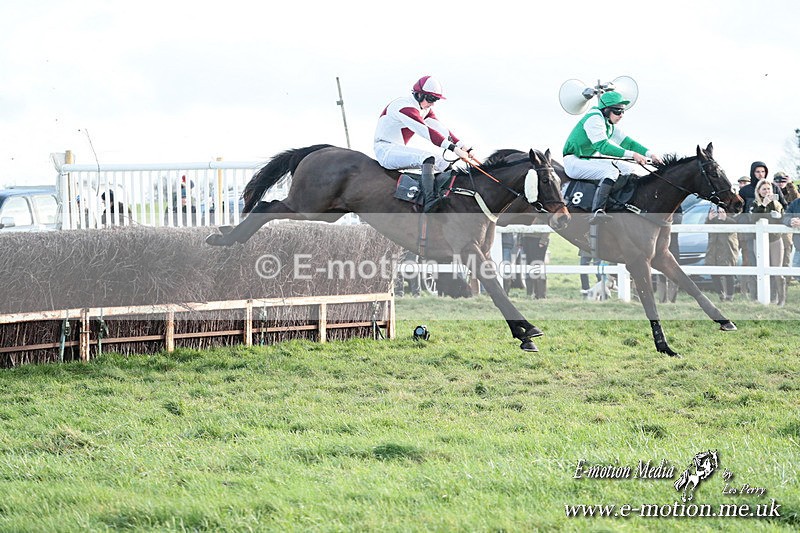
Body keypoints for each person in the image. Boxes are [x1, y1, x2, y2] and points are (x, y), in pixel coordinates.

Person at [374, 76, 475, 212]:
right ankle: (429, 201)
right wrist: (453, 148)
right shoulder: (404, 107)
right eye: (431, 99)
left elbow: (440, 128)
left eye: (436, 100)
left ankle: (448, 197)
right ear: (419, 94)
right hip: (385, 150)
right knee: (428, 159)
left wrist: (464, 146)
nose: (432, 104)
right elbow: (426, 131)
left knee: (444, 164)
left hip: (397, 149)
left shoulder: (424, 109)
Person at [562, 90, 663, 223]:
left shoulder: (608, 124)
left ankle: (620, 204)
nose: (621, 115)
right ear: (606, 110)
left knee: (628, 169)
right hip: (573, 162)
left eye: (623, 111)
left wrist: (651, 154)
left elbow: (629, 143)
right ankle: (598, 210)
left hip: (586, 160)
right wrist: (633, 155)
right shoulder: (594, 119)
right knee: (611, 171)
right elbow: (602, 146)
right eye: (617, 111)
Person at [736, 161, 787, 299]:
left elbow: (785, 207)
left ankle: (774, 297)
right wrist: (745, 225)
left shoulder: (774, 188)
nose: (760, 174)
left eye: (763, 171)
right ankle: (755, 296)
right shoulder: (744, 191)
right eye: (757, 171)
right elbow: (739, 212)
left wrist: (780, 216)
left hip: (773, 235)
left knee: (774, 267)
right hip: (751, 233)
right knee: (753, 265)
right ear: (752, 172)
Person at [750, 179, 786, 305]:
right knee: (761, 270)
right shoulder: (754, 204)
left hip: (775, 239)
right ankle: (763, 297)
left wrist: (780, 216)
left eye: (769, 189)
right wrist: (763, 205)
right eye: (764, 189)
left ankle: (780, 299)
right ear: (759, 191)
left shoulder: (777, 203)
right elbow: (752, 218)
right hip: (760, 241)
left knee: (777, 270)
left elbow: (783, 219)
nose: (767, 191)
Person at [705, 204, 739, 301]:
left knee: (728, 273)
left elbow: (735, 227)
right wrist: (709, 220)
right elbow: (707, 230)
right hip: (713, 250)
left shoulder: (731, 217)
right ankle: (721, 294)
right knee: (714, 273)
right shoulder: (712, 218)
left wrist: (725, 220)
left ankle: (730, 296)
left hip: (727, 249)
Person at [773, 171, 797, 275]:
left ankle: (786, 279)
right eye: (778, 181)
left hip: (787, 226)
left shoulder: (790, 192)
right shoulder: (772, 191)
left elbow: (796, 198)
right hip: (775, 226)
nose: (780, 183)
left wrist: (790, 184)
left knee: (787, 252)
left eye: (783, 181)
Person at [783, 195, 800, 285]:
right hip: (799, 245)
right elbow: (786, 216)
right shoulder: (796, 203)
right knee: (796, 269)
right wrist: (791, 221)